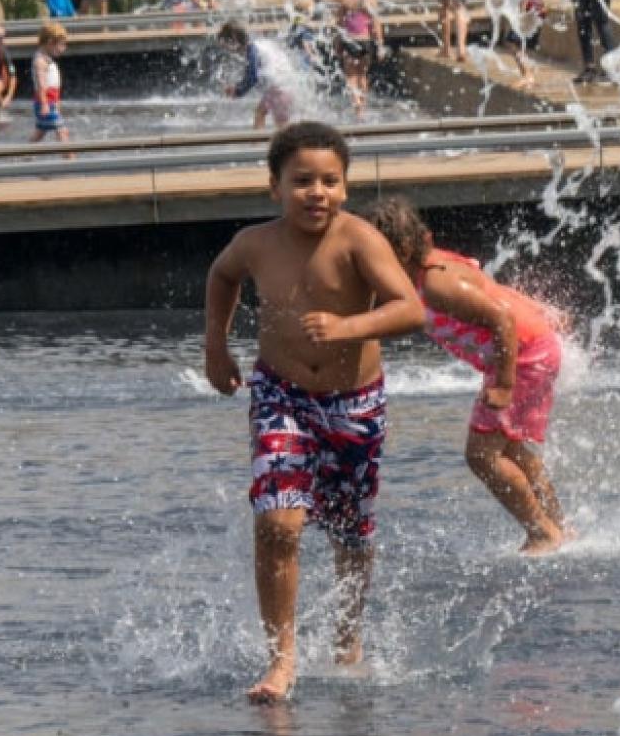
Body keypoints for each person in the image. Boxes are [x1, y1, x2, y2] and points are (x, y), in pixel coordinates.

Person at [201, 122, 426, 703]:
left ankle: (348, 636)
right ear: (274, 186)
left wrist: (349, 326)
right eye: (302, 181)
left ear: (346, 188)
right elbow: (222, 275)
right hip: (282, 395)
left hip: (355, 403)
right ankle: (281, 661)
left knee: (349, 530)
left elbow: (409, 309)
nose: (316, 192)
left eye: (330, 180)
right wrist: (215, 344)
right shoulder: (256, 243)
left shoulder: (358, 241)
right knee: (278, 522)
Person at [367, 196, 569, 553]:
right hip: (530, 348)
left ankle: (542, 532)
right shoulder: (425, 271)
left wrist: (505, 385)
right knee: (510, 448)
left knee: (482, 456)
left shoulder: (436, 284)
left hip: (521, 358)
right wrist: (536, 310)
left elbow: (501, 320)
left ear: (401, 250)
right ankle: (559, 527)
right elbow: (490, 289)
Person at [220, 21, 294, 130]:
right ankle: (256, 144)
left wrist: (238, 91)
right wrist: (238, 86)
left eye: (226, 45)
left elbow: (252, 77)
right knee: (261, 113)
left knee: (282, 125)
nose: (228, 50)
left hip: (279, 87)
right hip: (285, 83)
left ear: (234, 41)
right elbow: (250, 74)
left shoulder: (252, 50)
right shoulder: (259, 44)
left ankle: (284, 145)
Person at [31, 21, 71, 144]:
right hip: (46, 103)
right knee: (63, 132)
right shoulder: (40, 61)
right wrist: (44, 104)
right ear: (50, 42)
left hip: (50, 102)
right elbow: (42, 84)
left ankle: (23, 158)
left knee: (39, 134)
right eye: (61, 45)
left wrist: (56, 103)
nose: (64, 49)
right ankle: (71, 161)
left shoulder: (46, 59)